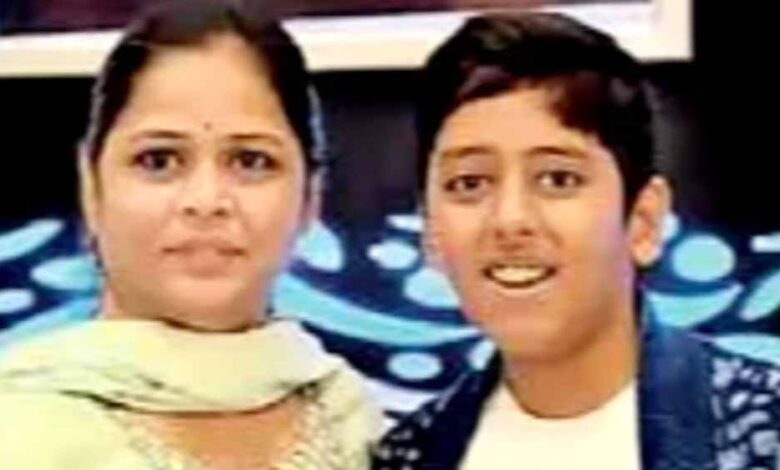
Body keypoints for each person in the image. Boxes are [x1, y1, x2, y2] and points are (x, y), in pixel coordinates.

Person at [374, 12, 780, 470]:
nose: (510, 220)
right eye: (469, 183)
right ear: (430, 230)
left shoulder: (762, 429)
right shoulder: (408, 455)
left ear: (643, 221)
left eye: (557, 179)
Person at [0, 1, 379, 468]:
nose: (206, 201)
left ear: (311, 197)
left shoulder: (352, 416)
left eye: (251, 161)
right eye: (158, 160)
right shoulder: (17, 423)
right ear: (91, 186)